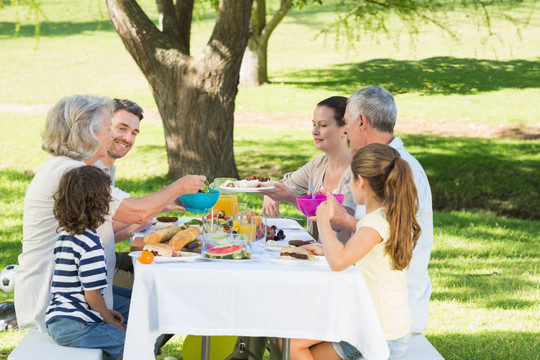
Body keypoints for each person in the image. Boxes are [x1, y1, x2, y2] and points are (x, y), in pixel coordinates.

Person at [14, 94, 206, 333]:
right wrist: (180, 186)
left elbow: (102, 231)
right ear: (86, 131)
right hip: (58, 304)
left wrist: (156, 207)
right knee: (155, 314)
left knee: (157, 310)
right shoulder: (71, 173)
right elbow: (136, 212)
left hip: (78, 290)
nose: (113, 135)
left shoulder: (77, 168)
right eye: (108, 128)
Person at [288, 143, 420, 359]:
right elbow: (356, 253)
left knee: (292, 345)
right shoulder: (386, 217)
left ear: (361, 181)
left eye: (350, 180)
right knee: (295, 342)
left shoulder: (374, 224)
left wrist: (323, 219)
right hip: (383, 325)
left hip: (378, 332)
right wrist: (325, 250)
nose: (348, 187)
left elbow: (339, 262)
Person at [319, 85, 433, 334]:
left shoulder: (400, 170)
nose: (344, 130)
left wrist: (344, 222)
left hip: (389, 310)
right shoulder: (383, 164)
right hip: (372, 299)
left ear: (362, 122)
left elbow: (392, 233)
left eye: (346, 122)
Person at [46, 165, 125, 360]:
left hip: (58, 320)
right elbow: (92, 296)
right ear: (100, 203)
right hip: (76, 326)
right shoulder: (90, 243)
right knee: (129, 342)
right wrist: (109, 321)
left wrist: (106, 312)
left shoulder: (67, 235)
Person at [261, 96, 355, 244]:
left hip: (344, 261)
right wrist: (271, 192)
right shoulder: (318, 165)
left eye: (323, 125)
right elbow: (284, 184)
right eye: (314, 124)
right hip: (315, 257)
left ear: (345, 130)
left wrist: (291, 198)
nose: (314, 131)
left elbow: (338, 222)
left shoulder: (357, 171)